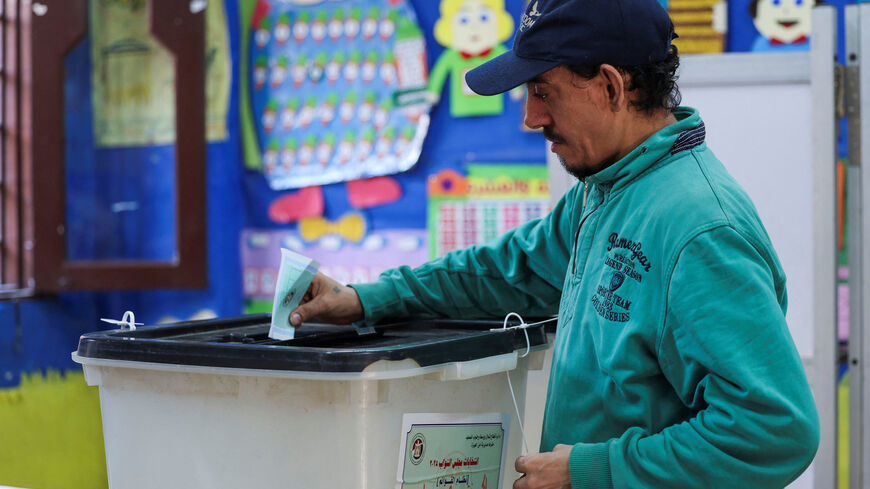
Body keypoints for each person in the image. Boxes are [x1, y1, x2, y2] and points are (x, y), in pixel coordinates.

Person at [289, 0, 820, 487]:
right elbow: (507, 271)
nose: (530, 117)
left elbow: (773, 430)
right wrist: (368, 299)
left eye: (543, 91)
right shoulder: (606, 189)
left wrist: (595, 470)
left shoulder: (699, 228)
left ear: (611, 86)